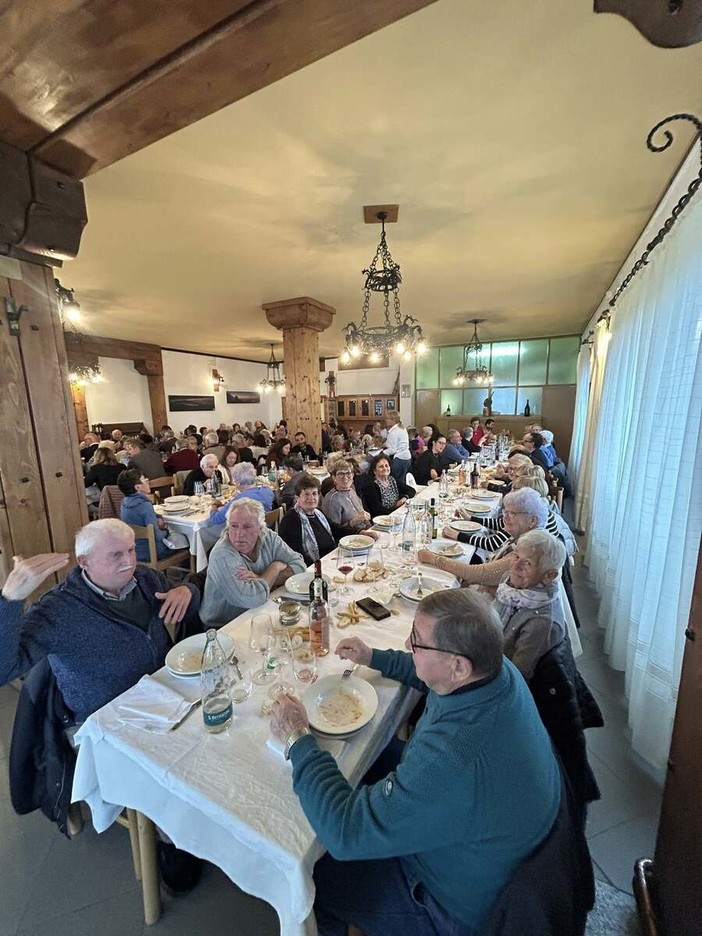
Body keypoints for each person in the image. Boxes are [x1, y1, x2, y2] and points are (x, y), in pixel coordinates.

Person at [269, 588, 561, 936]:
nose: (410, 647)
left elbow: (345, 833)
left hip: (450, 907)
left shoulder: (452, 758)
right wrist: (374, 656)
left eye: (417, 642)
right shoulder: (494, 670)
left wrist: (298, 738)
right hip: (489, 845)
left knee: (315, 875)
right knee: (370, 755)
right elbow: (427, 671)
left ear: (458, 665)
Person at [0, 520, 200, 722]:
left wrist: (186, 591)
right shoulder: (58, 609)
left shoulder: (146, 578)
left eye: (131, 550)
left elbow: (188, 608)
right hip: (107, 719)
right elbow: (4, 671)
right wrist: (9, 601)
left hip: (164, 696)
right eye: (116, 555)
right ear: (84, 562)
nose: (129, 561)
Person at [494, 529, 601, 814]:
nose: (514, 565)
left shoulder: (542, 620)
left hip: (513, 707)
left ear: (549, 576)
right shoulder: (516, 592)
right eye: (515, 555)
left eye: (526, 563)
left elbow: (516, 681)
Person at [200, 499, 306, 625]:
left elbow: (300, 566)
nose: (239, 534)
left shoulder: (268, 537)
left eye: (247, 527)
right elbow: (253, 598)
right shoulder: (222, 555)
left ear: (261, 529)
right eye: (234, 526)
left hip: (260, 612)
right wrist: (274, 568)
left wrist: (260, 578)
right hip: (223, 626)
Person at [419, 488, 549, 590]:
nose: (505, 518)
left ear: (532, 520)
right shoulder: (524, 536)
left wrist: (433, 558)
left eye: (512, 514)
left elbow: (478, 574)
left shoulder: (529, 550)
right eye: (505, 512)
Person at [278, 474, 337, 565]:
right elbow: (297, 554)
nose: (311, 498)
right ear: (297, 498)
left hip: (331, 560)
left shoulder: (318, 513)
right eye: (306, 494)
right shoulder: (291, 520)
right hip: (312, 568)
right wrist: (319, 568)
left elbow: (336, 528)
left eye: (314, 493)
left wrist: (359, 532)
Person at [118, 469, 172, 561]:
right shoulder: (145, 505)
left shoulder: (124, 503)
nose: (148, 481)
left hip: (134, 551)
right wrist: (166, 531)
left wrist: (157, 517)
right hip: (152, 552)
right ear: (138, 487)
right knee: (185, 541)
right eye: (144, 479)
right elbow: (157, 535)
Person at [321, 460, 379, 539]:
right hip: (350, 539)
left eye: (348, 473)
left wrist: (371, 528)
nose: (345, 478)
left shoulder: (351, 491)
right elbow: (335, 531)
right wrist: (355, 520)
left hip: (365, 532)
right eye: (341, 474)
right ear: (334, 477)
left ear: (352, 475)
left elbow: (363, 516)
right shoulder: (332, 500)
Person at [383, 412, 412, 484]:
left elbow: (392, 450)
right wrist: (384, 444)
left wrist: (381, 452)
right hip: (407, 457)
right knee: (401, 482)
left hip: (399, 459)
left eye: (387, 418)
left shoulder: (394, 431)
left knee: (394, 481)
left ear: (393, 420)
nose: (385, 420)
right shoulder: (402, 428)